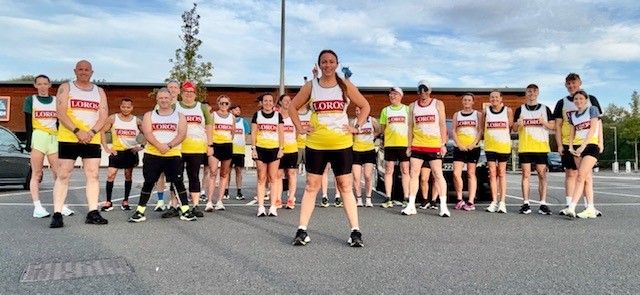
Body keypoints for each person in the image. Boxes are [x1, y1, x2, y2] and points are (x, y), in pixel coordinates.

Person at [288, 49, 370, 247]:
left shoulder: (344, 85)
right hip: (316, 143)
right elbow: (292, 107)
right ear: (319, 64)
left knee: (344, 186)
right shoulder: (311, 86)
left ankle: (355, 231)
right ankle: (302, 230)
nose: (327, 65)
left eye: (331, 62)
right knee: (311, 186)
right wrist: (300, 127)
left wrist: (356, 127)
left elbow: (365, 106)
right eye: (324, 62)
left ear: (336, 63)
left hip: (341, 143)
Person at [50, 60, 108, 228]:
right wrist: (78, 131)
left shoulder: (99, 91)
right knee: (63, 174)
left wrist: (90, 133)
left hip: (92, 138)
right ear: (75, 71)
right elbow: (60, 113)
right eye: (80, 69)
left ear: (92, 72)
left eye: (87, 70)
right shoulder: (66, 87)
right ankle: (57, 213)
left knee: (93, 175)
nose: (83, 72)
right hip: (69, 137)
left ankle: (92, 212)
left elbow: (103, 115)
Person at [128, 88, 196, 222]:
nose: (164, 100)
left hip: (173, 154)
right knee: (148, 182)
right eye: (161, 98)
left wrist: (169, 145)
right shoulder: (149, 115)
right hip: (153, 154)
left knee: (178, 182)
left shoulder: (179, 116)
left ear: (171, 99)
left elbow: (182, 134)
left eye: (166, 98)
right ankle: (140, 212)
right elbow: (147, 133)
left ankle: (186, 211)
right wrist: (159, 146)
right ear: (157, 99)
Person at [553, 73, 603, 216]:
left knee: (585, 175)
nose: (571, 86)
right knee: (570, 173)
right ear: (565, 85)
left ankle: (588, 206)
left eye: (574, 83)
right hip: (571, 143)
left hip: (589, 143)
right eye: (568, 83)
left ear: (580, 82)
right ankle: (569, 204)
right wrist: (561, 145)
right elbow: (557, 125)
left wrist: (601, 141)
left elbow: (598, 123)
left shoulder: (591, 101)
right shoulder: (562, 103)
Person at [23, 75, 73, 218]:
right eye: (39, 84)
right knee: (37, 173)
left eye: (45, 83)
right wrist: (28, 142)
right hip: (38, 137)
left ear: (50, 85)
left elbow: (60, 121)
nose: (43, 86)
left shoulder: (56, 101)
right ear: (35, 85)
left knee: (58, 173)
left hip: (54, 137)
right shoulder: (30, 100)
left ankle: (61, 205)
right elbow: (27, 122)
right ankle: (37, 207)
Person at [401, 80, 450, 217]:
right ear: (418, 92)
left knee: (438, 174)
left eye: (426, 90)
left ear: (430, 90)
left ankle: (444, 207)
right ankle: (411, 205)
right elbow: (410, 127)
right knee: (414, 174)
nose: (423, 93)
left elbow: (442, 124)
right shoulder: (412, 106)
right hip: (417, 145)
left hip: (434, 145)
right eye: (420, 91)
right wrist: (409, 145)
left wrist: (443, 144)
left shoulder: (438, 104)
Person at [512, 84, 554, 215]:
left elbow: (553, 126)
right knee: (526, 175)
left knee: (542, 175)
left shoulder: (545, 108)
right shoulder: (520, 109)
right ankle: (526, 203)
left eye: (534, 91)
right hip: (525, 147)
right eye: (529, 91)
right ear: (526, 93)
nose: (531, 93)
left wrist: (544, 123)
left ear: (538, 93)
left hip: (541, 147)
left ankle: (543, 204)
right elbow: (513, 128)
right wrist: (518, 124)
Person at [174, 80, 213, 218]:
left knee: (194, 176)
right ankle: (175, 205)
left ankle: (195, 205)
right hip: (177, 148)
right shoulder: (175, 106)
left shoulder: (202, 107)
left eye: (191, 92)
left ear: (195, 94)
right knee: (176, 177)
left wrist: (210, 145)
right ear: (182, 93)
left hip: (196, 148)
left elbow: (209, 126)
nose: (188, 94)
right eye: (186, 92)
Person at [100, 97, 144, 211]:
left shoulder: (137, 120)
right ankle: (108, 201)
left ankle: (125, 201)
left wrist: (141, 146)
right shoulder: (113, 118)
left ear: (132, 108)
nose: (125, 109)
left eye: (128, 107)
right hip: (116, 152)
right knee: (111, 175)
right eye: (123, 107)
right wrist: (106, 147)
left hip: (130, 152)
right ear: (120, 107)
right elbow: (102, 131)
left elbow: (149, 133)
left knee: (128, 175)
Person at [251, 93, 284, 216]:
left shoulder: (278, 115)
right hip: (260, 149)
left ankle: (273, 207)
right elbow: (253, 133)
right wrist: (253, 149)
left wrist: (281, 148)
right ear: (262, 102)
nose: (268, 103)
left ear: (273, 103)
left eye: (270, 101)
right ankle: (260, 207)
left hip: (274, 149)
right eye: (266, 100)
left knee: (273, 178)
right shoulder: (257, 115)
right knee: (261, 178)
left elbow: (281, 133)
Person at [378, 87, 410, 208]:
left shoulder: (407, 109)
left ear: (401, 96)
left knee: (405, 170)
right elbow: (382, 129)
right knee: (388, 170)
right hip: (390, 144)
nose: (392, 96)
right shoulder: (385, 110)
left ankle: (406, 198)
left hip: (404, 144)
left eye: (395, 94)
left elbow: (411, 127)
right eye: (391, 94)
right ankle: (388, 198)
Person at [451, 93, 483, 211]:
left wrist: (473, 144)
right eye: (465, 100)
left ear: (473, 102)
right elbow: (453, 131)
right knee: (456, 173)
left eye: (469, 100)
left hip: (473, 148)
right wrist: (459, 144)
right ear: (462, 101)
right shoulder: (457, 114)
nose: (467, 102)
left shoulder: (478, 114)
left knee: (470, 173)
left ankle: (470, 201)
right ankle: (459, 199)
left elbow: (480, 130)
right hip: (459, 147)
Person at [153, 79, 181, 211]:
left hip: (178, 146)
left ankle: (174, 201)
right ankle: (160, 201)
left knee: (176, 176)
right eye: (170, 87)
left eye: (175, 87)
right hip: (161, 147)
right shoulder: (158, 106)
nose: (173, 89)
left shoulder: (182, 106)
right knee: (160, 175)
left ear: (179, 90)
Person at [484, 91, 513, 214]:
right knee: (492, 173)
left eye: (496, 97)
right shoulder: (486, 111)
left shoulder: (508, 111)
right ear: (490, 99)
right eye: (492, 97)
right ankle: (494, 201)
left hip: (503, 146)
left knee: (501, 173)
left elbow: (510, 127)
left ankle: (502, 202)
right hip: (490, 146)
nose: (494, 99)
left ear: (501, 98)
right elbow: (482, 127)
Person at [205, 95, 235, 212]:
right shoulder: (213, 115)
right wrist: (210, 145)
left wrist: (227, 140)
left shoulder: (231, 117)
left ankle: (220, 201)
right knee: (212, 172)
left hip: (227, 146)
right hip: (215, 146)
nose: (223, 105)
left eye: (226, 103)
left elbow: (232, 132)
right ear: (218, 103)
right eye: (221, 103)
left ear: (229, 104)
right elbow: (209, 131)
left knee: (224, 174)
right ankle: (209, 201)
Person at [351, 106, 381, 207]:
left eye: (359, 110)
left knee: (368, 176)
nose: (358, 112)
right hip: (356, 151)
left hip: (369, 150)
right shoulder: (353, 122)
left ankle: (368, 198)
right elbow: (350, 135)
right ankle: (358, 199)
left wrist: (372, 138)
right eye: (356, 111)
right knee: (356, 176)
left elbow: (378, 131)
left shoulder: (372, 120)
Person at [277, 94, 299, 209]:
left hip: (292, 149)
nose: (287, 102)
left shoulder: (294, 116)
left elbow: (297, 131)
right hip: (279, 149)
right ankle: (278, 199)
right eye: (285, 100)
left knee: (291, 173)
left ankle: (291, 199)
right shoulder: (276, 116)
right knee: (279, 175)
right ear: (280, 102)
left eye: (289, 100)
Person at [228, 104, 250, 200]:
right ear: (231, 110)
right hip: (229, 149)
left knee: (239, 171)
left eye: (239, 110)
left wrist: (243, 143)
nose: (238, 111)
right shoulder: (228, 121)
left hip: (239, 151)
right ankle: (225, 191)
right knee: (226, 172)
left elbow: (247, 134)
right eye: (236, 110)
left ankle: (239, 191)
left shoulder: (244, 122)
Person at [296, 102, 312, 175]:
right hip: (296, 145)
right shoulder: (294, 114)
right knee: (293, 169)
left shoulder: (311, 114)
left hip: (308, 144)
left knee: (309, 168)